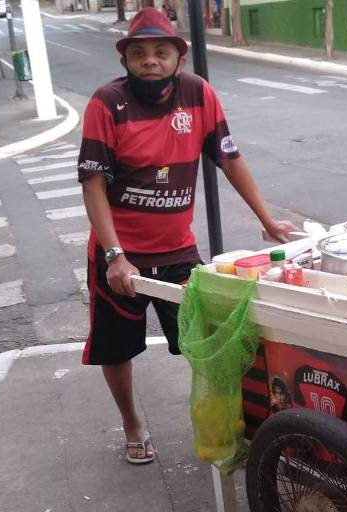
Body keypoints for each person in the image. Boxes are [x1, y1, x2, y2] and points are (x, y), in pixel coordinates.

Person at [77, 7, 296, 465]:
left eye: (161, 52)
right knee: (116, 348)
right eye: (139, 53)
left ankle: (225, 424)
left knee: (207, 342)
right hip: (120, 258)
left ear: (180, 57)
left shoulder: (198, 94)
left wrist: (268, 219)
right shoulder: (106, 104)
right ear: (125, 61)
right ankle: (132, 423)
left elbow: (229, 158)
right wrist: (116, 256)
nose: (150, 61)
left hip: (178, 251)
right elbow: (93, 183)